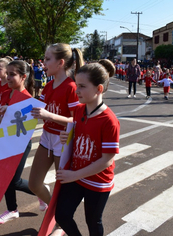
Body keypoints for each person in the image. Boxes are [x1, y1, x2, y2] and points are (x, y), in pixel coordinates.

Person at [56, 59, 120, 236]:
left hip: (97, 181)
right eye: (77, 85)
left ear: (99, 89)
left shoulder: (109, 121)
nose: (77, 90)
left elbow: (107, 160)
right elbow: (77, 134)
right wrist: (66, 137)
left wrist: (74, 175)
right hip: (76, 176)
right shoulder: (78, 110)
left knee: (93, 222)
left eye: (82, 86)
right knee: (62, 215)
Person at [29, 43, 84, 226]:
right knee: (34, 184)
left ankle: (60, 221)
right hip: (46, 139)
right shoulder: (49, 85)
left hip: (63, 142)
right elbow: (37, 108)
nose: (43, 63)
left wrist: (48, 115)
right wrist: (10, 109)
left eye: (47, 59)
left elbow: (77, 121)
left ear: (60, 63)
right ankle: (55, 207)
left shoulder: (71, 87)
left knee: (64, 190)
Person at [0, 60, 37, 224]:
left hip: (20, 143)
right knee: (4, 177)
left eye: (12, 74)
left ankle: (41, 192)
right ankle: (12, 209)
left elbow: (24, 127)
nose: (7, 78)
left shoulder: (26, 98)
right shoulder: (8, 93)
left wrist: (3, 120)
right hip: (5, 140)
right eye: (7, 73)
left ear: (23, 77)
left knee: (13, 180)